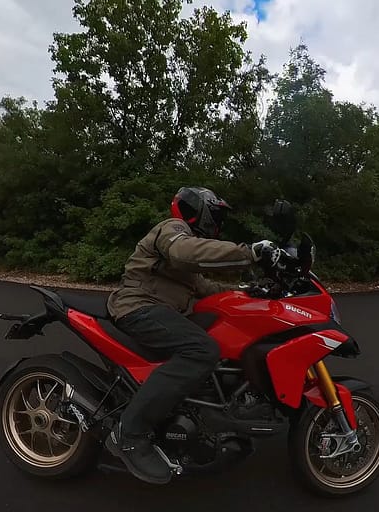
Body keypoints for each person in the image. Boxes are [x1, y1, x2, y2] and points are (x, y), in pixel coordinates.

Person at [104, 186, 280, 484]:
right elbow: (184, 252)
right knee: (202, 350)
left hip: (162, 311)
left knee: (222, 338)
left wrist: (252, 292)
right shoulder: (173, 230)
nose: (217, 221)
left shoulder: (185, 254)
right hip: (138, 307)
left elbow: (207, 289)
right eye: (216, 214)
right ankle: (129, 433)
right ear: (198, 209)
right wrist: (249, 252)